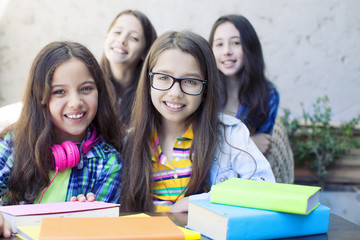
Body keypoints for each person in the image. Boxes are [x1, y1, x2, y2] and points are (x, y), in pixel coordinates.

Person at [120, 31, 275, 213]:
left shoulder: (230, 135)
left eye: (191, 81)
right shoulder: (129, 143)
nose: (175, 93)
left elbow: (265, 189)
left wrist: (200, 202)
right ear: (148, 81)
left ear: (206, 88)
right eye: (163, 78)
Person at [0, 41, 124, 237]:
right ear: (40, 97)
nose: (76, 102)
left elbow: (101, 232)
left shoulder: (108, 163)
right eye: (59, 92)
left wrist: (88, 218)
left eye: (86, 89)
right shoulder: (13, 144)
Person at [208, 15, 280, 155]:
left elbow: (263, 147)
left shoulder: (268, 95)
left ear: (249, 46)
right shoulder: (204, 91)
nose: (227, 51)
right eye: (219, 44)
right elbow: (198, 143)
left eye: (236, 43)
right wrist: (248, 143)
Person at [100, 9, 157, 125]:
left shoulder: (151, 94)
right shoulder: (90, 84)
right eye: (117, 32)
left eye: (134, 38)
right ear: (106, 38)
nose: (122, 40)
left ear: (145, 52)